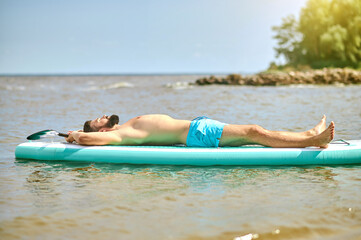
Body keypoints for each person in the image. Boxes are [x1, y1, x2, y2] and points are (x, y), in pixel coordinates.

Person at [65, 114, 335, 148]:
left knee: (256, 131)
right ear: (100, 130)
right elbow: (88, 139)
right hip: (198, 134)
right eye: (96, 119)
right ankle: (313, 141)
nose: (102, 116)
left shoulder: (123, 126)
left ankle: (309, 134)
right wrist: (77, 133)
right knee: (254, 131)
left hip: (198, 126)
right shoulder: (118, 135)